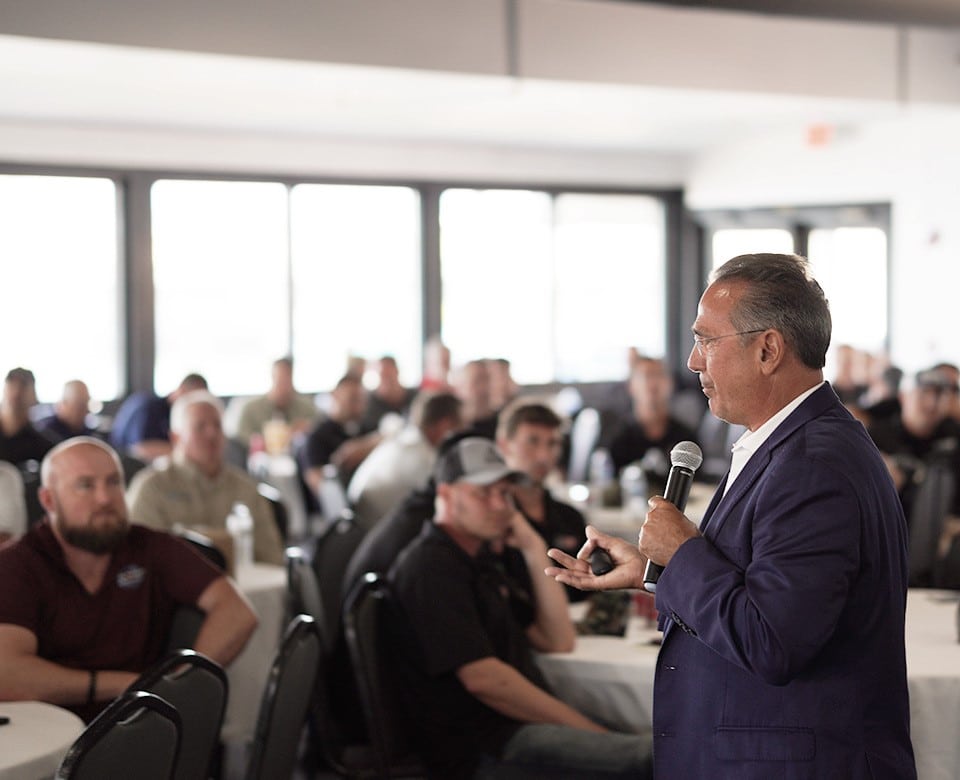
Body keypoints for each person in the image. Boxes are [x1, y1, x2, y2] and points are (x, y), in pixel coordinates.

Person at [546, 253, 916, 778]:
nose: (694, 362)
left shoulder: (813, 464)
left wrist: (684, 553)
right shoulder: (791, 443)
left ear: (767, 349)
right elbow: (763, 588)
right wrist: (661, 572)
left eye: (706, 341)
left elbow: (774, 641)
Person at [388, 437, 653, 779]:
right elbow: (486, 682)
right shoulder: (431, 568)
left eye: (504, 493)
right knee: (654, 758)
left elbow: (557, 640)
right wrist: (591, 732)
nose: (501, 506)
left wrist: (533, 546)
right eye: (484, 493)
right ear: (446, 495)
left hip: (512, 729)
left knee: (659, 739)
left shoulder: (479, 559)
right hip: (484, 749)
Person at [0, 437, 258, 723]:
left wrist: (177, 683)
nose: (105, 498)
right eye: (86, 485)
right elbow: (7, 674)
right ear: (49, 500)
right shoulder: (18, 564)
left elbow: (238, 612)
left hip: (144, 730)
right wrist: (122, 684)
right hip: (48, 740)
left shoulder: (150, 545)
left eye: (114, 482)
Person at [127, 390, 285, 565]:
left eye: (217, 425)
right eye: (200, 426)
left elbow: (272, 558)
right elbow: (140, 559)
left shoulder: (245, 488)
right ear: (176, 437)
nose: (211, 434)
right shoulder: (152, 488)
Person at [495, 399, 587, 599]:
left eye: (552, 443)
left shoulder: (570, 518)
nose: (544, 456)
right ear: (503, 446)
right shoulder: (493, 521)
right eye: (532, 442)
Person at [347, 391, 463, 530]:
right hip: (377, 530)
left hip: (365, 523)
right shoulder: (422, 460)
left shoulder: (404, 439)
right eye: (462, 424)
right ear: (445, 425)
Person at [605, 356, 699, 484]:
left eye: (659, 375)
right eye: (646, 376)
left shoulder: (686, 440)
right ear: (631, 386)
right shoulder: (617, 438)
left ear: (670, 384)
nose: (653, 384)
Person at [109, 373, 208, 462]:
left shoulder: (178, 415)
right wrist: (190, 451)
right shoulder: (149, 407)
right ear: (181, 390)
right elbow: (141, 449)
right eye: (193, 399)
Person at [234, 356, 318, 449]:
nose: (283, 386)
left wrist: (307, 430)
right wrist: (259, 442)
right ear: (272, 377)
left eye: (287, 379)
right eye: (280, 379)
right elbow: (240, 438)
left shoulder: (306, 409)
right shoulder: (251, 409)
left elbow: (319, 431)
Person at [0, 367, 55, 468]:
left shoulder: (43, 445)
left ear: (34, 397)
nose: (16, 393)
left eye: (23, 387)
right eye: (12, 386)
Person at [359, 355, 417, 434]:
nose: (386, 380)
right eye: (383, 375)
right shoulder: (369, 402)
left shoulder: (416, 397)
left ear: (397, 372)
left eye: (389, 375)